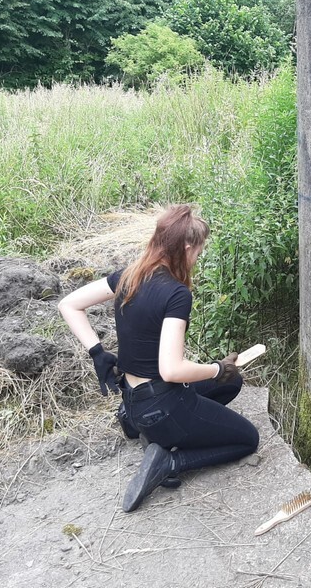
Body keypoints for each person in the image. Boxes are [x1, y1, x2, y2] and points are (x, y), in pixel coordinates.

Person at [58, 204, 259, 512]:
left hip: (135, 400)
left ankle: (141, 428)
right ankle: (170, 460)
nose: (196, 261)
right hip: (163, 406)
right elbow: (171, 369)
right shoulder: (177, 294)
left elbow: (70, 305)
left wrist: (97, 352)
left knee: (232, 384)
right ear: (187, 247)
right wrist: (217, 367)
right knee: (248, 438)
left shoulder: (129, 275)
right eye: (198, 253)